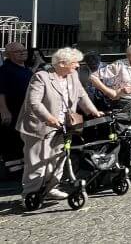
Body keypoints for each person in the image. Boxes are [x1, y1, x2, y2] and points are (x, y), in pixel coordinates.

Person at [18, 48, 104, 199]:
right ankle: (30, 194)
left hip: (63, 125)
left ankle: (51, 188)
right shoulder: (41, 77)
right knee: (37, 161)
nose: (78, 66)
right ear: (62, 63)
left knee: (58, 157)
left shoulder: (73, 75)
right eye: (75, 63)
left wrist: (93, 111)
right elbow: (34, 102)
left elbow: (81, 94)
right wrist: (49, 118)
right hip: (39, 126)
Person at [91, 43, 131, 112]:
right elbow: (93, 77)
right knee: (121, 122)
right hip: (122, 102)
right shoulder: (119, 65)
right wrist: (109, 92)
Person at [1, 42, 34, 130]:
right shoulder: (5, 70)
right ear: (8, 55)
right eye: (17, 51)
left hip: (26, 111)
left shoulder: (26, 69)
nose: (23, 52)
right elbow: (1, 92)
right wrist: (4, 111)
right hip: (13, 112)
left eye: (24, 50)